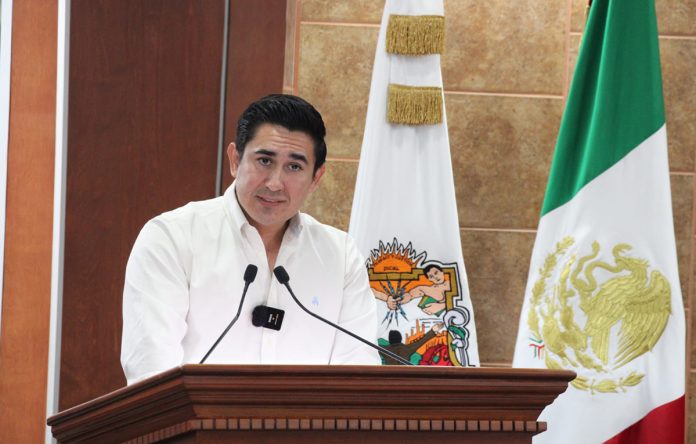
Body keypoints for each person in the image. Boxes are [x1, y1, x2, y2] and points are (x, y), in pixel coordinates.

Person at [121, 94, 380, 385]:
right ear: (235, 160)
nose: (274, 183)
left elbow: (358, 375)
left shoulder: (340, 256)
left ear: (316, 178)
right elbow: (151, 373)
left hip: (308, 418)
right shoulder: (172, 239)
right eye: (264, 161)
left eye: (294, 167)